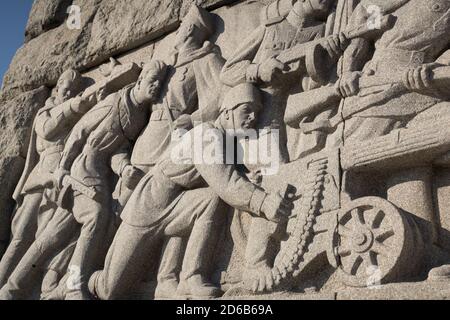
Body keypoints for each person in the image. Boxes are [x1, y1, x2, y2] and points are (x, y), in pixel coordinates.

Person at [87, 83, 293, 300]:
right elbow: (225, 181)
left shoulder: (227, 143)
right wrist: (263, 202)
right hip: (147, 207)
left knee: (211, 198)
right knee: (109, 290)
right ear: (227, 112)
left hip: (178, 205)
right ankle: (79, 282)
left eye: (257, 112)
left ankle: (191, 278)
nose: (253, 117)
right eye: (246, 109)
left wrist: (251, 178)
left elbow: (225, 179)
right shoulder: (207, 135)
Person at [0, 60, 168, 300]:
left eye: (160, 84)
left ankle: (12, 288)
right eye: (152, 81)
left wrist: (124, 168)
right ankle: (73, 286)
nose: (156, 87)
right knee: (96, 217)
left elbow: (116, 149)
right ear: (140, 81)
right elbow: (79, 133)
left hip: (100, 170)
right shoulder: (114, 101)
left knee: (52, 236)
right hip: (82, 167)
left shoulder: (139, 116)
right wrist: (64, 167)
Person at [110, 5, 226, 299]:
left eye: (184, 27)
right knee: (121, 225)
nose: (179, 32)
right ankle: (91, 276)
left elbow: (220, 99)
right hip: (144, 151)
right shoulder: (167, 66)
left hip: (174, 151)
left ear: (189, 30)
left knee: (177, 208)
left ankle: (168, 278)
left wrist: (193, 120)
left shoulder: (205, 59)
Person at [0, 69, 94, 290]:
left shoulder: (74, 115)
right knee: (21, 236)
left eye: (73, 91)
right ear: (58, 86)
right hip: (41, 179)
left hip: (63, 180)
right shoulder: (46, 112)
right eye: (66, 88)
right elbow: (48, 130)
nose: (69, 93)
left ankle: (37, 285)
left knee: (48, 237)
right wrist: (73, 105)